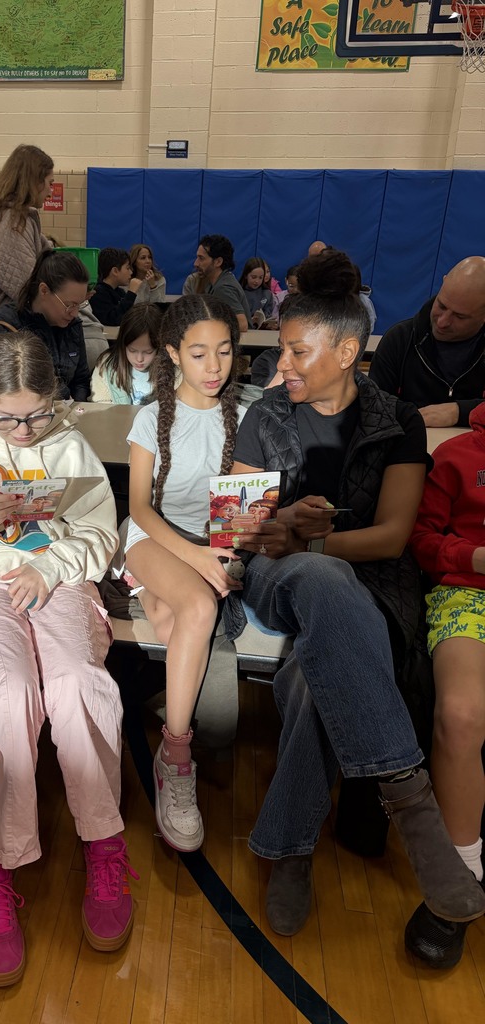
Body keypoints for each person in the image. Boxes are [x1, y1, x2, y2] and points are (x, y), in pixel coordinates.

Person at [225, 249, 485, 938]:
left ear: (345, 352)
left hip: (368, 583)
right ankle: (412, 800)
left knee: (315, 678)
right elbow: (237, 531)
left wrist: (308, 540)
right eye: (283, 351)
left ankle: (290, 849)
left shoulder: (395, 420)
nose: (282, 367)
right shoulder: (265, 416)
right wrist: (282, 525)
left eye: (298, 353)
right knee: (319, 575)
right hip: (282, 574)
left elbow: (394, 538)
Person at [0, 332, 135, 987]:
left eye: (36, 414)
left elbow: (100, 535)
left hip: (57, 579)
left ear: (55, 400)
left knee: (76, 682)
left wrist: (50, 567)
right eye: (6, 417)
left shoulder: (67, 441)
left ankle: (103, 840)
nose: (21, 430)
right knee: (9, 694)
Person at [122, 294, 244, 852]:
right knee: (198, 609)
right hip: (153, 539)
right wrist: (196, 559)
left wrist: (224, 552)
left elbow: (240, 513)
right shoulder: (151, 417)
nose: (214, 367)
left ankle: (150, 601)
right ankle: (176, 755)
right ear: (173, 353)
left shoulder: (243, 416)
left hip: (207, 545)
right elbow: (141, 509)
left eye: (223, 352)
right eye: (199, 354)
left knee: (177, 632)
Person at [403, 407, 485, 968]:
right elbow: (422, 540)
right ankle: (460, 872)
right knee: (458, 714)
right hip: (468, 593)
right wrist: (473, 556)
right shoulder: (456, 456)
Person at [369, 257, 485, 427]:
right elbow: (372, 408)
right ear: (443, 284)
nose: (442, 322)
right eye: (442, 306)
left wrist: (460, 412)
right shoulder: (399, 340)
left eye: (460, 317)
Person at [0, 144, 54, 332]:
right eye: (50, 183)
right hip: (4, 324)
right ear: (35, 182)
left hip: (7, 320)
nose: (50, 191)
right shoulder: (13, 223)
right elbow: (23, 285)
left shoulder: (20, 219)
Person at [0, 250, 91, 401]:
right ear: (44, 290)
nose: (74, 313)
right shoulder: (7, 325)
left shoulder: (73, 325)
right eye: (69, 305)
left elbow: (81, 381)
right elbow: (2, 389)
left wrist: (77, 407)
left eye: (79, 305)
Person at [91, 304, 163, 404]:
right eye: (132, 350)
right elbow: (101, 405)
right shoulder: (106, 365)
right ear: (123, 345)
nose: (139, 359)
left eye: (148, 352)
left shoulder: (173, 369)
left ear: (159, 347)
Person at [193, 235, 250, 332]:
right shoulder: (218, 282)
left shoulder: (223, 288)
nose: (196, 263)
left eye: (201, 258)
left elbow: (242, 324)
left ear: (218, 262)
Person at [88, 248, 142, 325]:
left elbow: (129, 318)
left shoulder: (120, 292)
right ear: (115, 271)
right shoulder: (98, 293)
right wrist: (131, 294)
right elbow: (113, 320)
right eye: (127, 268)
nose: (131, 272)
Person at [239, 257, 275, 329]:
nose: (257, 281)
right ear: (246, 275)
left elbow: (268, 315)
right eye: (253, 277)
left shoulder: (267, 294)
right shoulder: (239, 292)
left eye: (260, 277)